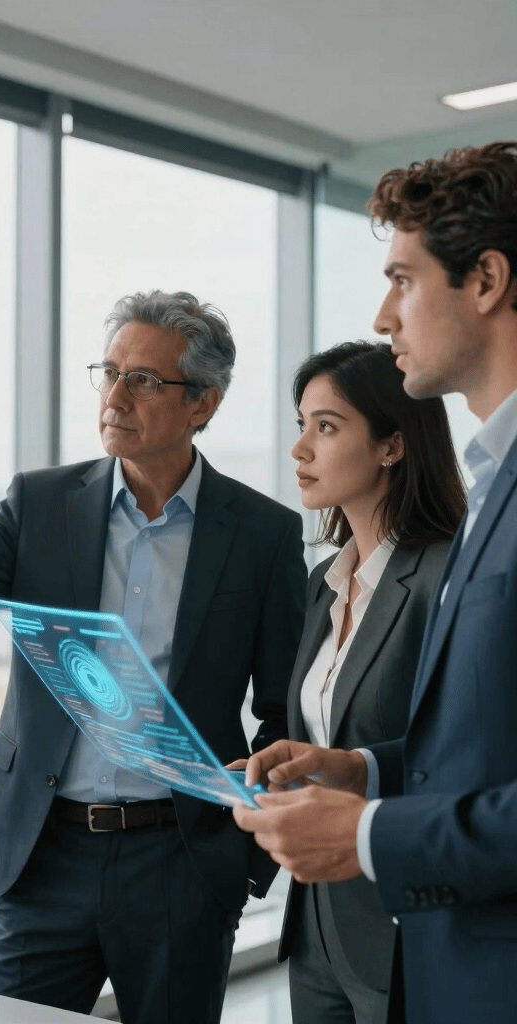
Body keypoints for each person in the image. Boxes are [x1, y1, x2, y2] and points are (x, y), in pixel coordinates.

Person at [0, 289, 307, 1024]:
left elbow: (286, 708)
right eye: (110, 372)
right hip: (43, 854)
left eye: (144, 380)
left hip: (181, 859)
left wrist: (244, 834)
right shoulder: (40, 503)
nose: (116, 396)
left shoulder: (263, 534)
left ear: (203, 404)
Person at [233, 141, 517, 1024]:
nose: (383, 314)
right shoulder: (494, 486)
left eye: (403, 278)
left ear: (486, 281)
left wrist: (363, 833)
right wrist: (358, 770)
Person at [229, 341, 464, 1024]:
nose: (300, 449)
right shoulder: (322, 585)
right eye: (301, 425)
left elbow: (458, 752)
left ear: (392, 444)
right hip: (318, 925)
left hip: (405, 921)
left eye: (326, 427)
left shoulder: (446, 576)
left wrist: (351, 768)